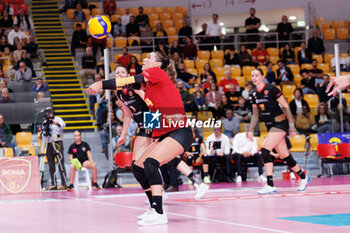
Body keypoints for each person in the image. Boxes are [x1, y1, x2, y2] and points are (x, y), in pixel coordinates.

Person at [87, 51, 200, 225]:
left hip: (180, 131)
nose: (145, 59)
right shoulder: (150, 87)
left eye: (149, 57)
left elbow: (129, 81)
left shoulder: (156, 72)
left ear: (158, 64)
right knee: (138, 167)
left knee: (151, 162)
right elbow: (139, 107)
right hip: (165, 132)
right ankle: (154, 207)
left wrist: (100, 84)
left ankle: (160, 211)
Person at [113, 66, 208, 200]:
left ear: (128, 75)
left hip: (152, 121)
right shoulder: (118, 92)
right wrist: (123, 135)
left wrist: (150, 122)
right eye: (118, 73)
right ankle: (196, 182)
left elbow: (150, 102)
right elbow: (127, 115)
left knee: (148, 160)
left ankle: (158, 194)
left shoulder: (134, 85)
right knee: (155, 160)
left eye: (123, 72)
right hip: (142, 125)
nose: (120, 74)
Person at [248, 68, 311, 194]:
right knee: (284, 156)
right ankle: (303, 177)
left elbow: (285, 106)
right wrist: (250, 129)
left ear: (262, 76)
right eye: (252, 75)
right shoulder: (254, 93)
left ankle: (270, 185)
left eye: (256, 75)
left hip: (280, 123)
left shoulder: (272, 89)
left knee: (265, 151)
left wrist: (292, 125)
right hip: (270, 126)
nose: (254, 78)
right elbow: (255, 114)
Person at [41, 108, 68, 191]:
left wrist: (55, 123)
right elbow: (43, 133)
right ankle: (54, 184)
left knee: (60, 163)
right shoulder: (44, 121)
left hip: (57, 142)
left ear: (52, 112)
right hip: (48, 143)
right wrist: (41, 135)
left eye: (49, 111)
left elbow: (63, 125)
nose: (48, 113)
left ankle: (64, 183)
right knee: (51, 164)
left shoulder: (58, 119)